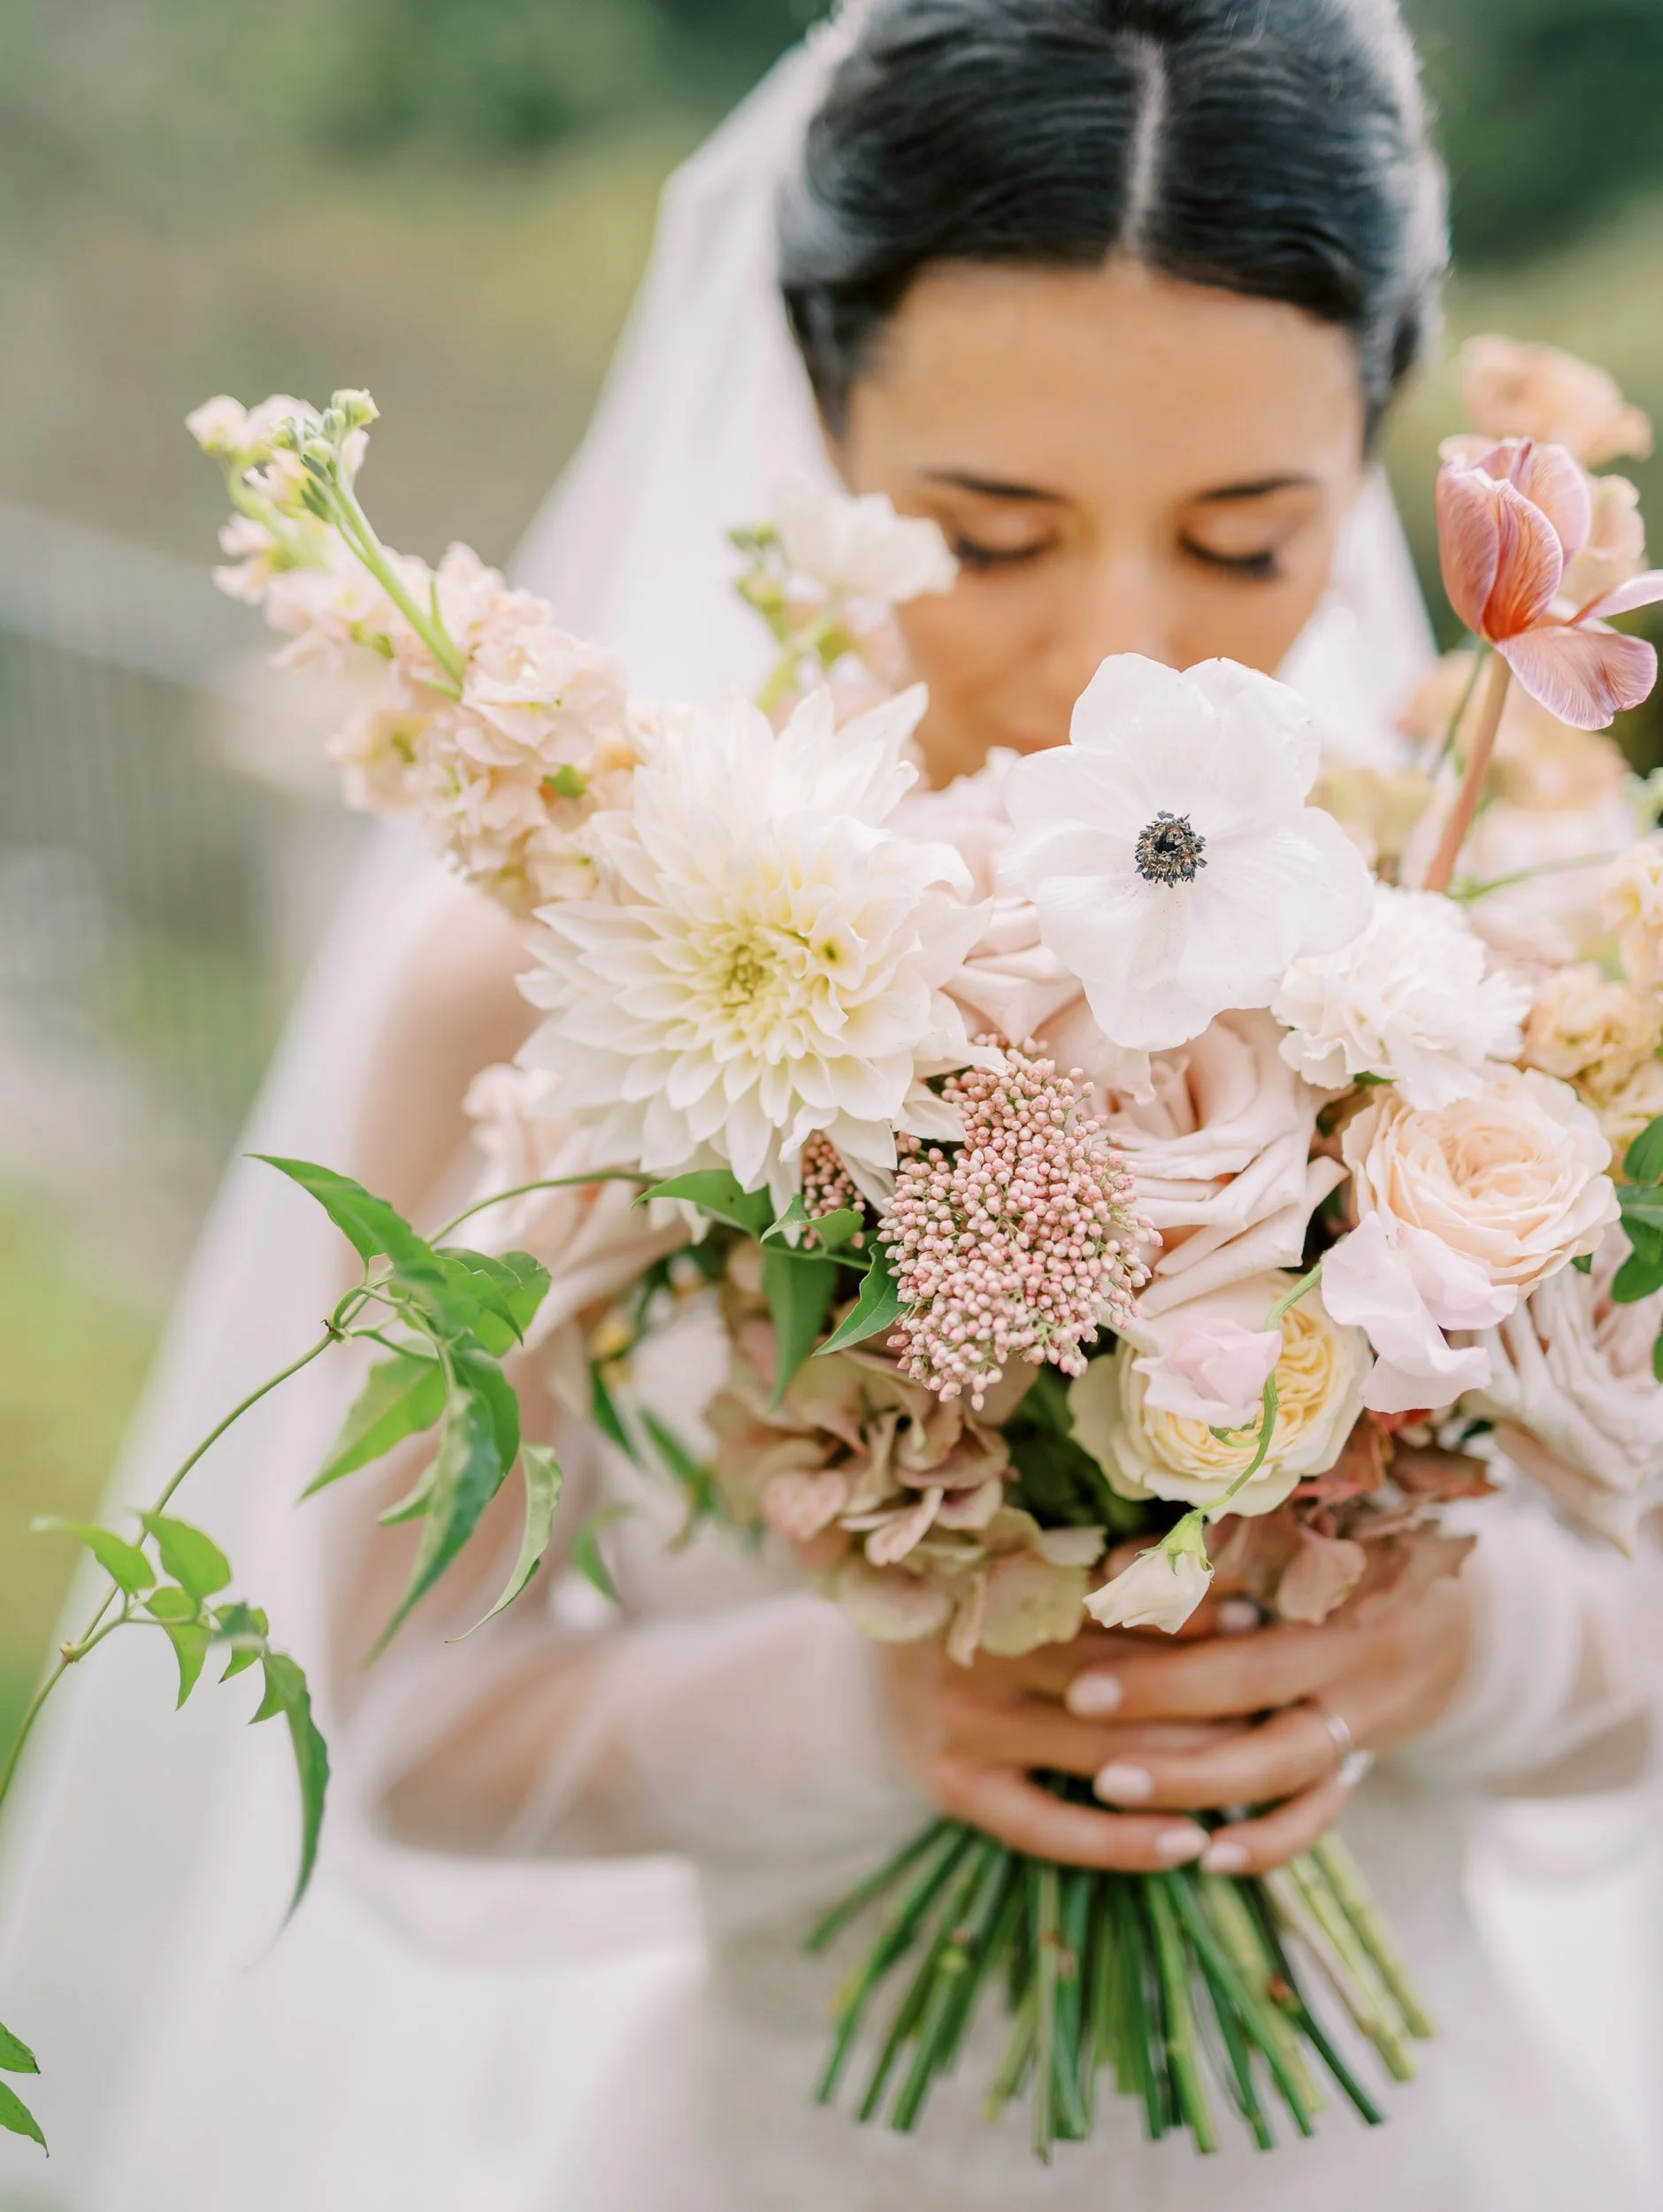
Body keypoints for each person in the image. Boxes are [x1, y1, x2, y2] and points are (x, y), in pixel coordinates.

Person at [0, 4, 1653, 2208]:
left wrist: (1452, 1645)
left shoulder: (1532, 966)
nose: (1117, 660)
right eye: (990, 532)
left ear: (1370, 457)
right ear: (813, 429)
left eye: (1244, 541)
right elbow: (411, 1743)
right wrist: (876, 1711)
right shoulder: (558, 977)